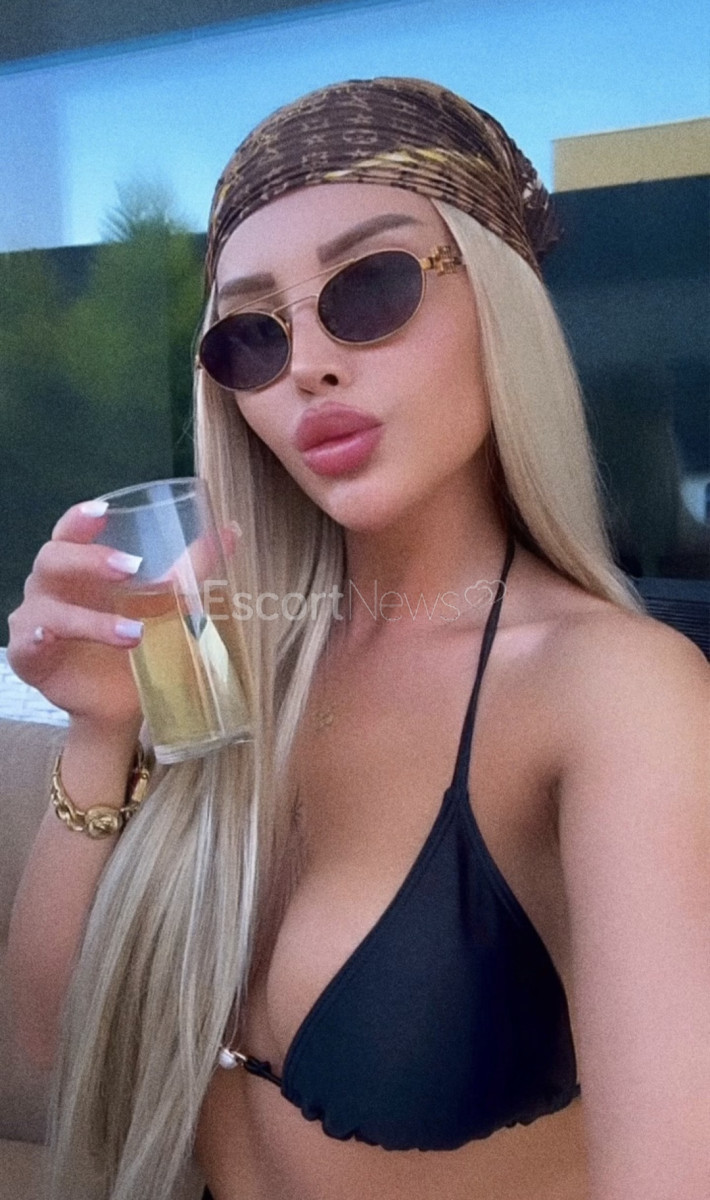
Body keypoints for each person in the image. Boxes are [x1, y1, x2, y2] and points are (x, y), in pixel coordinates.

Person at [6, 77, 708, 1200]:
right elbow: (45, 1055)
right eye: (252, 334)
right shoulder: (226, 657)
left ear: (501, 302)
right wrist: (99, 731)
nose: (306, 366)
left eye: (371, 287)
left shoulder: (613, 693)